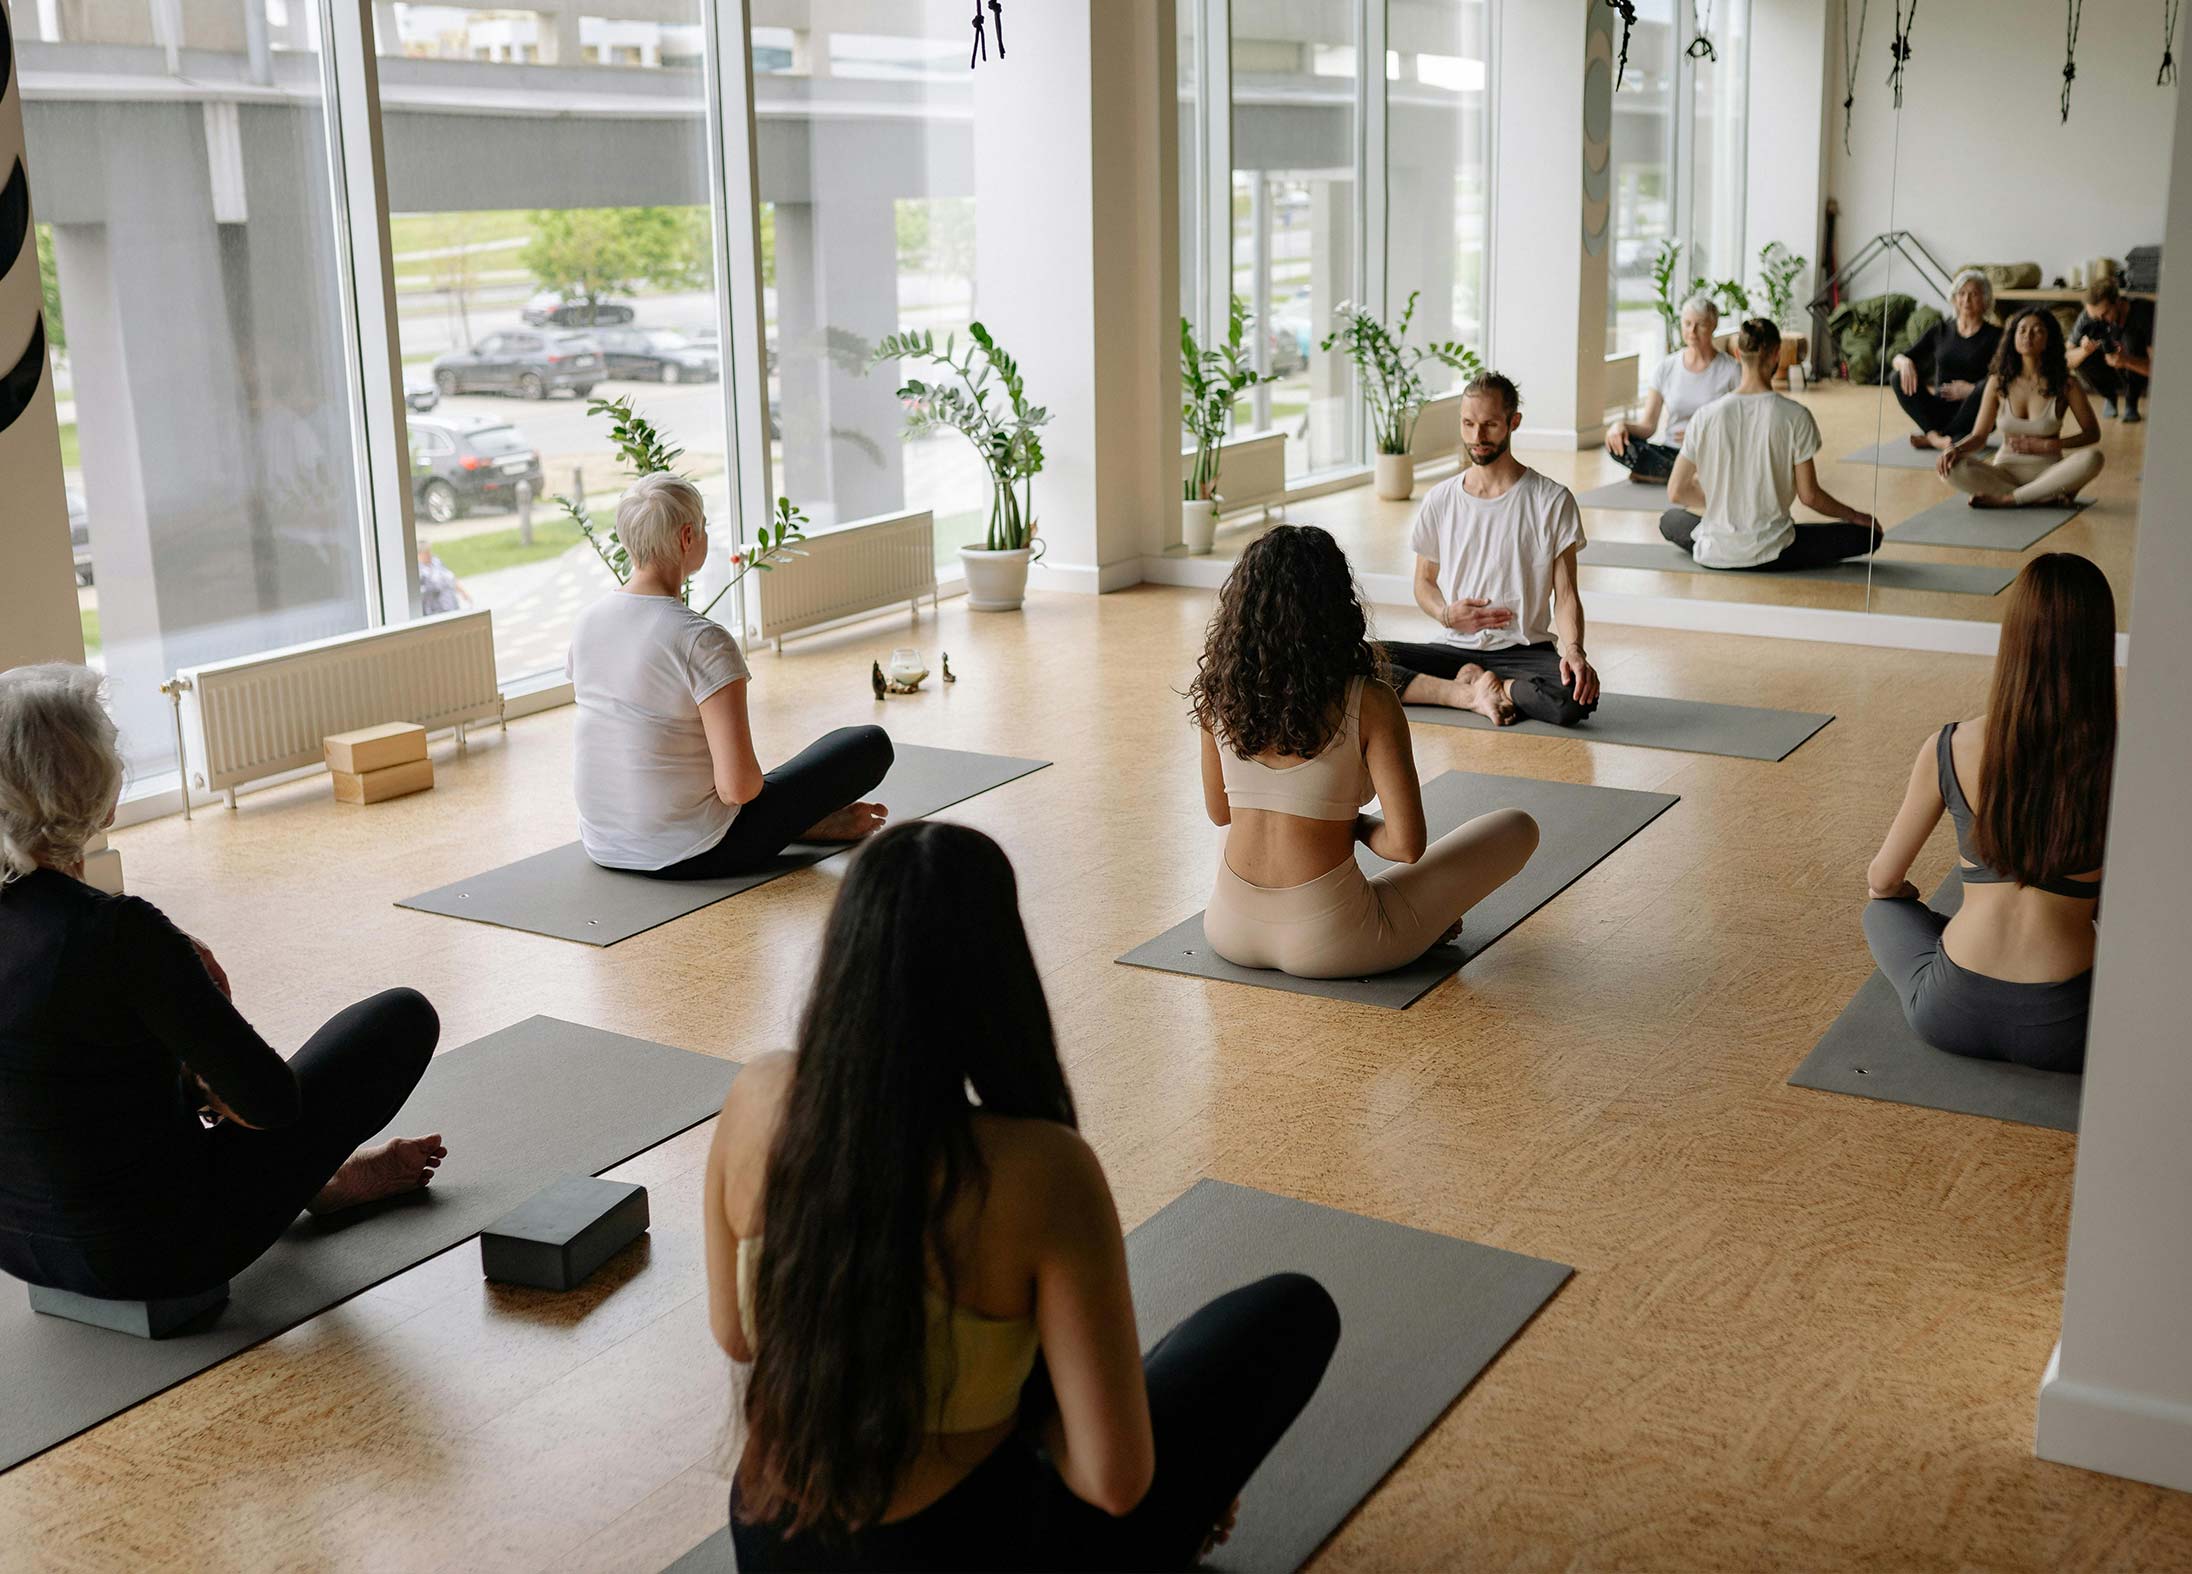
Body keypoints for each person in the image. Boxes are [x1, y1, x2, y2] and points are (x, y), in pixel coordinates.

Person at [708, 821, 1340, 1570]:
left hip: (770, 1540)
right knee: (1288, 1312)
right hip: (966, 1555)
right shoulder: (1040, 1170)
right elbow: (1112, 1482)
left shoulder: (755, 1096)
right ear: (998, 975)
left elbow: (739, 1335)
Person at [0, 664, 446, 1304]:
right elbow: (270, 1105)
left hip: (16, 1250)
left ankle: (319, 1186)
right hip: (155, 1255)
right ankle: (317, 1183)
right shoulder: (120, 932)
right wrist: (193, 1031)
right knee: (401, 1017)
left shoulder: (105, 934)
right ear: (98, 788)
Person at [1188, 525, 1540, 980]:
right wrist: (1345, 825)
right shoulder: (1368, 700)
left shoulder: (1219, 693)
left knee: (1247, 813)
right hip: (1337, 943)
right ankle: (1417, 925)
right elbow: (1406, 846)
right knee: (1517, 827)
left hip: (1228, 929)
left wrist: (1301, 815)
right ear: (1337, 608)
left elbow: (1221, 813)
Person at [566, 474, 891, 879]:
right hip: (698, 851)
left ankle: (803, 822)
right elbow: (738, 790)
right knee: (868, 744)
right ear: (687, 538)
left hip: (604, 844)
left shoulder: (587, 622)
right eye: (703, 528)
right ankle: (808, 822)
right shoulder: (701, 639)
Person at [1861, 554, 2112, 1073]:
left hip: (1949, 1011)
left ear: (2013, 639)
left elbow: (1883, 881)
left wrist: (1914, 901)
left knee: (1881, 912)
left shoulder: (1951, 745)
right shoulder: (2128, 762)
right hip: (2071, 1033)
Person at [1382, 372, 1601, 728]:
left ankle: (1499, 687)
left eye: (1490, 425)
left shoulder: (1551, 500)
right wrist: (1446, 615)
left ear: (1514, 422)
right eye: (1468, 424)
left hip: (1525, 651)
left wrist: (1574, 650)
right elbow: (1424, 582)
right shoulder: (1441, 499)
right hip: (1453, 648)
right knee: (1357, 659)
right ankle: (1468, 693)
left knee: (1574, 697)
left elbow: (1565, 595)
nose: (1477, 437)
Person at [1662, 319, 1883, 572]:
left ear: (1737, 355)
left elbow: (1676, 492)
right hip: (1775, 551)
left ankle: (1724, 547)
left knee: (1670, 520)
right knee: (1867, 536)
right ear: (1777, 354)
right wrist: (1854, 515)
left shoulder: (1705, 415)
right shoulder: (1795, 415)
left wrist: (1724, 502)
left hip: (1716, 550)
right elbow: (1809, 496)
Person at [1939, 308, 2104, 509]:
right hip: (2004, 473)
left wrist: (2049, 446)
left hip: (2049, 473)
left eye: (2037, 331)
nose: (2028, 336)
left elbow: (2092, 433)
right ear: (2013, 337)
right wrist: (1955, 449)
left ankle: (2010, 499)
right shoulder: (1997, 382)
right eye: (2022, 330)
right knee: (1951, 468)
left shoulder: (2066, 384)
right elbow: (1979, 437)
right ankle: (2039, 496)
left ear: (2048, 340)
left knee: (2093, 458)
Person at [1604, 294, 1742, 483]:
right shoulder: (1666, 368)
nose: (1692, 331)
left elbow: (1742, 423)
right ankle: (1683, 476)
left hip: (1710, 451)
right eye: (1687, 324)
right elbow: (1647, 427)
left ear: (1713, 326)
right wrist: (1619, 426)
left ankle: (1666, 475)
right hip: (1671, 452)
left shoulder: (1732, 370)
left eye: (1700, 325)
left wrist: (1704, 434)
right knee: (1619, 443)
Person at [1889, 270, 2005, 451]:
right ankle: (1940, 436)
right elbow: (1899, 357)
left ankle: (1935, 437)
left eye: (1974, 294)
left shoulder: (1996, 336)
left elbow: (2005, 376)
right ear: (1954, 298)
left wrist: (1972, 390)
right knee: (1897, 377)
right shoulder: (1941, 330)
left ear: (1985, 300)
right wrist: (1904, 363)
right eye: (1961, 293)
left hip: (1975, 410)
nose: (1966, 300)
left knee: (1990, 384)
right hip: (1938, 409)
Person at [2067, 277, 2156, 423]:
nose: (2100, 319)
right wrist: (2084, 351)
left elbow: (2160, 370)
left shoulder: (2144, 312)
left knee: (2131, 341)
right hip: (2111, 371)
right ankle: (2109, 397)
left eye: (2105, 313)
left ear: (2118, 301)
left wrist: (2126, 361)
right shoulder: (2089, 316)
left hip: (2139, 372)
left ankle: (2131, 402)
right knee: (2082, 357)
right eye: (2095, 317)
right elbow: (2065, 359)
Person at [417, 541, 472, 616]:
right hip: (434, 611)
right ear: (419, 554)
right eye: (426, 553)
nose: (429, 554)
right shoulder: (418, 570)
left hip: (450, 604)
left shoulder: (436, 561)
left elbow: (450, 577)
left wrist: (463, 592)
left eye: (429, 551)